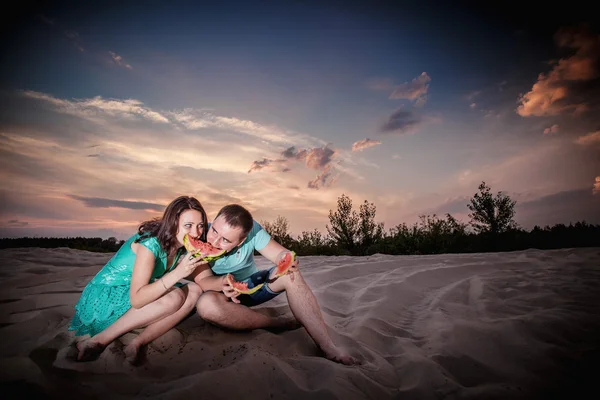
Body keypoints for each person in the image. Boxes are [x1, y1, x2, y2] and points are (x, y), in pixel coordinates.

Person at [132, 204, 361, 365]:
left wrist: (287, 260)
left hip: (249, 288)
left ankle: (328, 347)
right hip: (215, 292)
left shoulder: (253, 232)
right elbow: (202, 282)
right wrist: (222, 283)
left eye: (226, 240)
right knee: (206, 307)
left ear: (242, 240)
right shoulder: (199, 235)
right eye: (214, 231)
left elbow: (279, 254)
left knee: (291, 275)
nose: (213, 241)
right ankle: (274, 323)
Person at [68, 195, 208, 363]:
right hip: (108, 294)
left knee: (194, 290)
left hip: (136, 291)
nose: (196, 233)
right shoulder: (151, 243)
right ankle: (98, 341)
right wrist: (178, 273)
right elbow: (137, 299)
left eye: (200, 226)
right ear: (173, 224)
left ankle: (137, 343)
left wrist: (224, 281)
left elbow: (203, 279)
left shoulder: (181, 246)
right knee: (175, 297)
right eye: (188, 226)